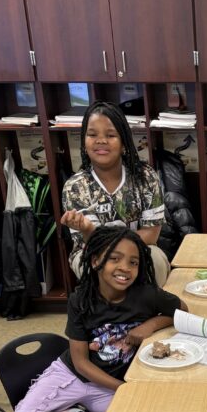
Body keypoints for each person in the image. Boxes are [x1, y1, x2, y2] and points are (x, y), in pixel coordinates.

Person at [11, 225, 186, 412]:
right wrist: (122, 388)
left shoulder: (147, 294)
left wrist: (150, 325)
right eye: (115, 259)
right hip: (72, 375)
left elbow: (182, 311)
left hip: (107, 386)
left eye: (133, 262)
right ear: (95, 261)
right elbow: (81, 363)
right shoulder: (80, 300)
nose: (125, 268)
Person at [60, 100, 165, 280]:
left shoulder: (146, 177)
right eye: (92, 134)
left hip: (137, 249)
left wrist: (122, 251)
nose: (101, 141)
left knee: (155, 258)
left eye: (110, 135)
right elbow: (92, 241)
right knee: (101, 267)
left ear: (124, 142)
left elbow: (151, 234)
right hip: (92, 251)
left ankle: (150, 299)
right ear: (84, 141)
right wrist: (87, 229)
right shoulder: (75, 186)